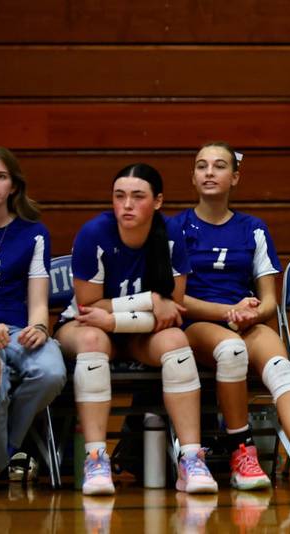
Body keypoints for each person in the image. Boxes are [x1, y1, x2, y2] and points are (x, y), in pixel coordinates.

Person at [172, 141, 290, 494]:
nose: (209, 172)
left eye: (219, 166)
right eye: (201, 166)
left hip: (244, 320)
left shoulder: (252, 228)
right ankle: (242, 452)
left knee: (278, 359)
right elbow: (174, 299)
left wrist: (251, 313)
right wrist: (228, 313)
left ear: (235, 177)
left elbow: (270, 300)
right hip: (198, 324)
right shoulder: (176, 228)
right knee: (231, 349)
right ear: (194, 178)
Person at [55, 163, 217, 495]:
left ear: (157, 201)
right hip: (85, 325)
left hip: (141, 331)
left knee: (175, 340)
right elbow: (89, 308)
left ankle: (190, 459)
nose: (126, 205)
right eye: (119, 196)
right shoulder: (94, 233)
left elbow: (172, 311)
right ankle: (96, 458)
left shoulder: (170, 233)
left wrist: (118, 318)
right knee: (91, 339)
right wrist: (149, 299)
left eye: (137, 197)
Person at [0, 147, 66, 490]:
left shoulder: (34, 234)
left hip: (17, 330)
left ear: (14, 187)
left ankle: (1, 453)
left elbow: (38, 301)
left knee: (52, 371)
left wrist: (39, 327)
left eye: (0, 176)